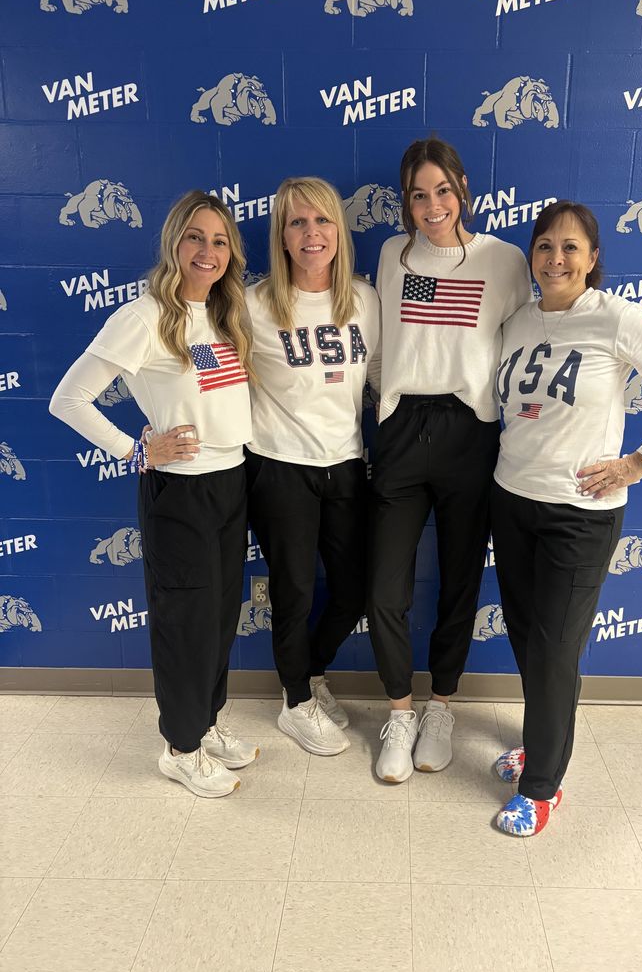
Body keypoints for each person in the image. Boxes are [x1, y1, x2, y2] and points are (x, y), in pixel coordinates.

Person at [491, 200, 642, 836]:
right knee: (529, 641)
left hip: (580, 515)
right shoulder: (516, 321)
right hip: (511, 500)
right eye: (545, 246)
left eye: (570, 247)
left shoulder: (614, 317)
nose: (556, 258)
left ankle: (542, 788)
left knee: (555, 649)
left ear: (593, 258)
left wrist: (640, 461)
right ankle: (540, 745)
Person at [50, 190, 258, 798]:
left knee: (219, 617)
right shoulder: (143, 316)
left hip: (231, 480)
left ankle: (206, 723)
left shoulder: (224, 312)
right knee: (185, 623)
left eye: (219, 241)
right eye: (195, 237)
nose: (207, 251)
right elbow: (68, 399)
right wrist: (134, 449)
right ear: (173, 242)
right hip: (180, 493)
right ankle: (181, 747)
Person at [367, 137, 532, 783]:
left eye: (442, 190)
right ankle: (399, 712)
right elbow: (381, 343)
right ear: (405, 202)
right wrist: (385, 404)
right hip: (402, 428)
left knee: (460, 581)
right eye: (418, 194)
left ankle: (440, 707)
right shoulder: (392, 253)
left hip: (471, 431)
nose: (432, 205)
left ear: (463, 189)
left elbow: (525, 345)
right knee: (385, 588)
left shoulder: (505, 259)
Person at [244, 177, 379, 755]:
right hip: (279, 468)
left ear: (339, 231)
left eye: (322, 220)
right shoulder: (252, 304)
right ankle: (295, 702)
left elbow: (378, 378)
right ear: (281, 235)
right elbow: (208, 368)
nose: (311, 233)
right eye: (296, 222)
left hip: (346, 464)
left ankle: (312, 671)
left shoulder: (365, 300)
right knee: (294, 592)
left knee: (353, 591)